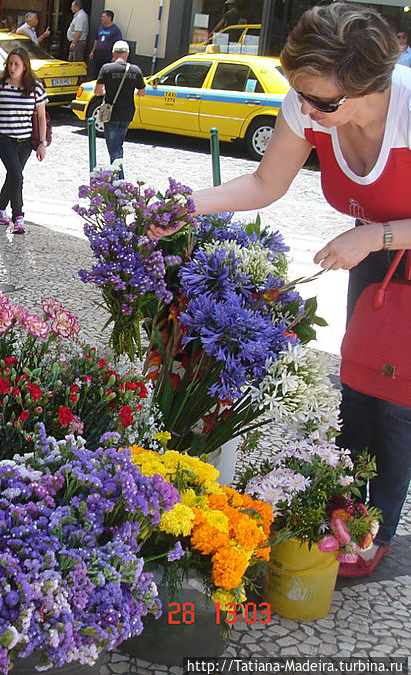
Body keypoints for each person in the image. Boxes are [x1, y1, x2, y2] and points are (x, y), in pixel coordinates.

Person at [154, 3, 410, 578]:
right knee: (358, 392)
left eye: (322, 104)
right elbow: (265, 182)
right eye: (303, 98)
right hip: (378, 264)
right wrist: (184, 206)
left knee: (399, 408)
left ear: (370, 85)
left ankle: (372, 538)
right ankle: (344, 519)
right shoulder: (310, 103)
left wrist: (377, 234)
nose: (310, 115)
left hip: (383, 246)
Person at [0, 47, 48, 234]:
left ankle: (0, 207)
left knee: (14, 176)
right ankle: (18, 216)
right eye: (10, 64)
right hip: (4, 138)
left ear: (25, 66)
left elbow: (41, 116)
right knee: (17, 176)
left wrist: (42, 143)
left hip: (25, 141)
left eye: (17, 64)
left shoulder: (35, 87)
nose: (13, 68)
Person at [94, 41, 145, 174]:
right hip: (127, 113)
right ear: (128, 54)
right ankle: (116, 175)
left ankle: (119, 178)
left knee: (114, 149)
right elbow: (141, 92)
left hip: (111, 115)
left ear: (113, 53)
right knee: (118, 145)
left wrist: (107, 91)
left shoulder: (107, 69)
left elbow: (97, 91)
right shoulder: (136, 70)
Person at [89, 11, 123, 79]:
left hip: (108, 58)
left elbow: (117, 44)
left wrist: (115, 57)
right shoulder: (100, 27)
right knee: (97, 74)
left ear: (109, 18)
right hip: (98, 57)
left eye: (103, 17)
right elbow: (96, 39)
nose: (101, 18)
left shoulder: (115, 30)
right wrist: (92, 51)